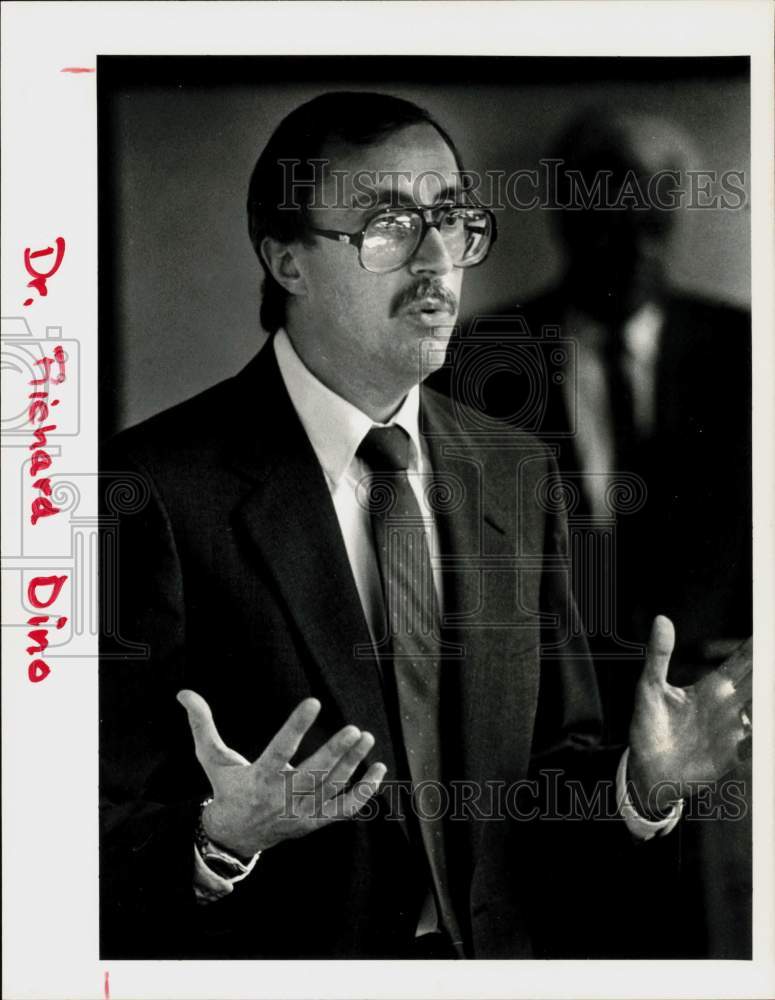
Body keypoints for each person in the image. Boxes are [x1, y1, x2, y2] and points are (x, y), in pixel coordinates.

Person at [99, 92, 752, 960]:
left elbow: (556, 765)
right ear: (286, 260)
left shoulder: (519, 470)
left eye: (450, 217)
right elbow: (77, 829)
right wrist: (222, 838)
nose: (438, 258)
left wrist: (641, 781)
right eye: (387, 224)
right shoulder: (147, 488)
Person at [431, 108, 752, 955]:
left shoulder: (747, 353)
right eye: (609, 219)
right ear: (565, 219)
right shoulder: (478, 357)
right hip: (541, 742)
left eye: (653, 220)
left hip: (716, 734)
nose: (634, 247)